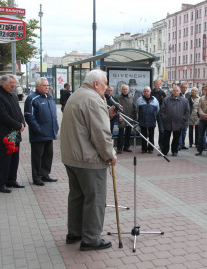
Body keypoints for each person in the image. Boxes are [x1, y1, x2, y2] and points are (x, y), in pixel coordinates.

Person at [61, 69, 116, 251]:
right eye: (105, 83)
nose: (106, 87)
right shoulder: (93, 99)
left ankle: (75, 232)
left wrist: (107, 113)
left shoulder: (77, 95)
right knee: (95, 198)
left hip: (72, 156)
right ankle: (91, 239)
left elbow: (85, 123)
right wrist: (110, 154)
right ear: (96, 84)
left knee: (77, 196)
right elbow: (100, 134)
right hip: (89, 160)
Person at [0, 75, 26, 193]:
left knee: (14, 158)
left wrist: (22, 123)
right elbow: (3, 116)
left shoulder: (12, 95)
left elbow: (18, 111)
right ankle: (1, 183)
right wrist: (17, 125)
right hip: (5, 134)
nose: (14, 87)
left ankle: (12, 179)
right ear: (3, 84)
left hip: (16, 133)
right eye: (12, 85)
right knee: (4, 159)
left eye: (14, 85)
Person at [24, 77, 59, 186]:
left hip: (49, 133)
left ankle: (45, 174)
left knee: (48, 155)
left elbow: (53, 115)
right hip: (38, 135)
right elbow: (29, 116)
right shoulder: (32, 99)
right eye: (44, 85)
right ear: (38, 86)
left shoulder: (49, 98)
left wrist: (56, 127)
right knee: (37, 157)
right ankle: (37, 177)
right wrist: (38, 129)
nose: (47, 87)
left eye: (47, 85)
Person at [160, 86, 190, 156]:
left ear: (179, 92)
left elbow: (187, 112)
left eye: (177, 90)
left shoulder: (185, 100)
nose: (175, 92)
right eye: (174, 90)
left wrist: (183, 119)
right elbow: (162, 110)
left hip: (178, 123)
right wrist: (164, 118)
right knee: (166, 138)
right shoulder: (166, 99)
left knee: (176, 138)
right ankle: (165, 151)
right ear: (172, 91)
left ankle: (174, 151)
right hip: (168, 122)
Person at [137, 86, 159, 153]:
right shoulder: (139, 99)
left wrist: (154, 116)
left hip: (151, 120)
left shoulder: (154, 99)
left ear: (150, 92)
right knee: (143, 135)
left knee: (151, 135)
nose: (146, 92)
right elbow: (137, 109)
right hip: (142, 120)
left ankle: (150, 149)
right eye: (145, 91)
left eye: (147, 91)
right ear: (143, 92)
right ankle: (144, 149)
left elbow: (157, 109)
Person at [116, 85, 136, 154]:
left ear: (128, 90)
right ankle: (119, 148)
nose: (125, 90)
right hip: (122, 118)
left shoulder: (131, 98)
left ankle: (126, 147)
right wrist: (119, 117)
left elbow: (134, 108)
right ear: (121, 90)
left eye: (126, 89)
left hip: (129, 118)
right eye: (123, 89)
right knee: (121, 134)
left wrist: (133, 118)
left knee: (128, 134)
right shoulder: (118, 98)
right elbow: (116, 109)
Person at [151, 79, 167, 151]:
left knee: (161, 130)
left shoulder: (162, 93)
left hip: (160, 113)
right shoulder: (151, 92)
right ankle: (151, 145)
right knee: (151, 129)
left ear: (160, 85)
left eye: (158, 84)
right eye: (156, 84)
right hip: (152, 113)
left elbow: (165, 103)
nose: (157, 85)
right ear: (154, 84)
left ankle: (161, 144)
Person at [178, 83, 190, 150]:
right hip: (180, 116)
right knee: (179, 130)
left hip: (186, 116)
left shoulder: (188, 95)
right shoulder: (178, 95)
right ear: (181, 88)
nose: (185, 89)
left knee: (184, 131)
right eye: (183, 87)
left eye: (186, 87)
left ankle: (183, 144)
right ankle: (179, 145)